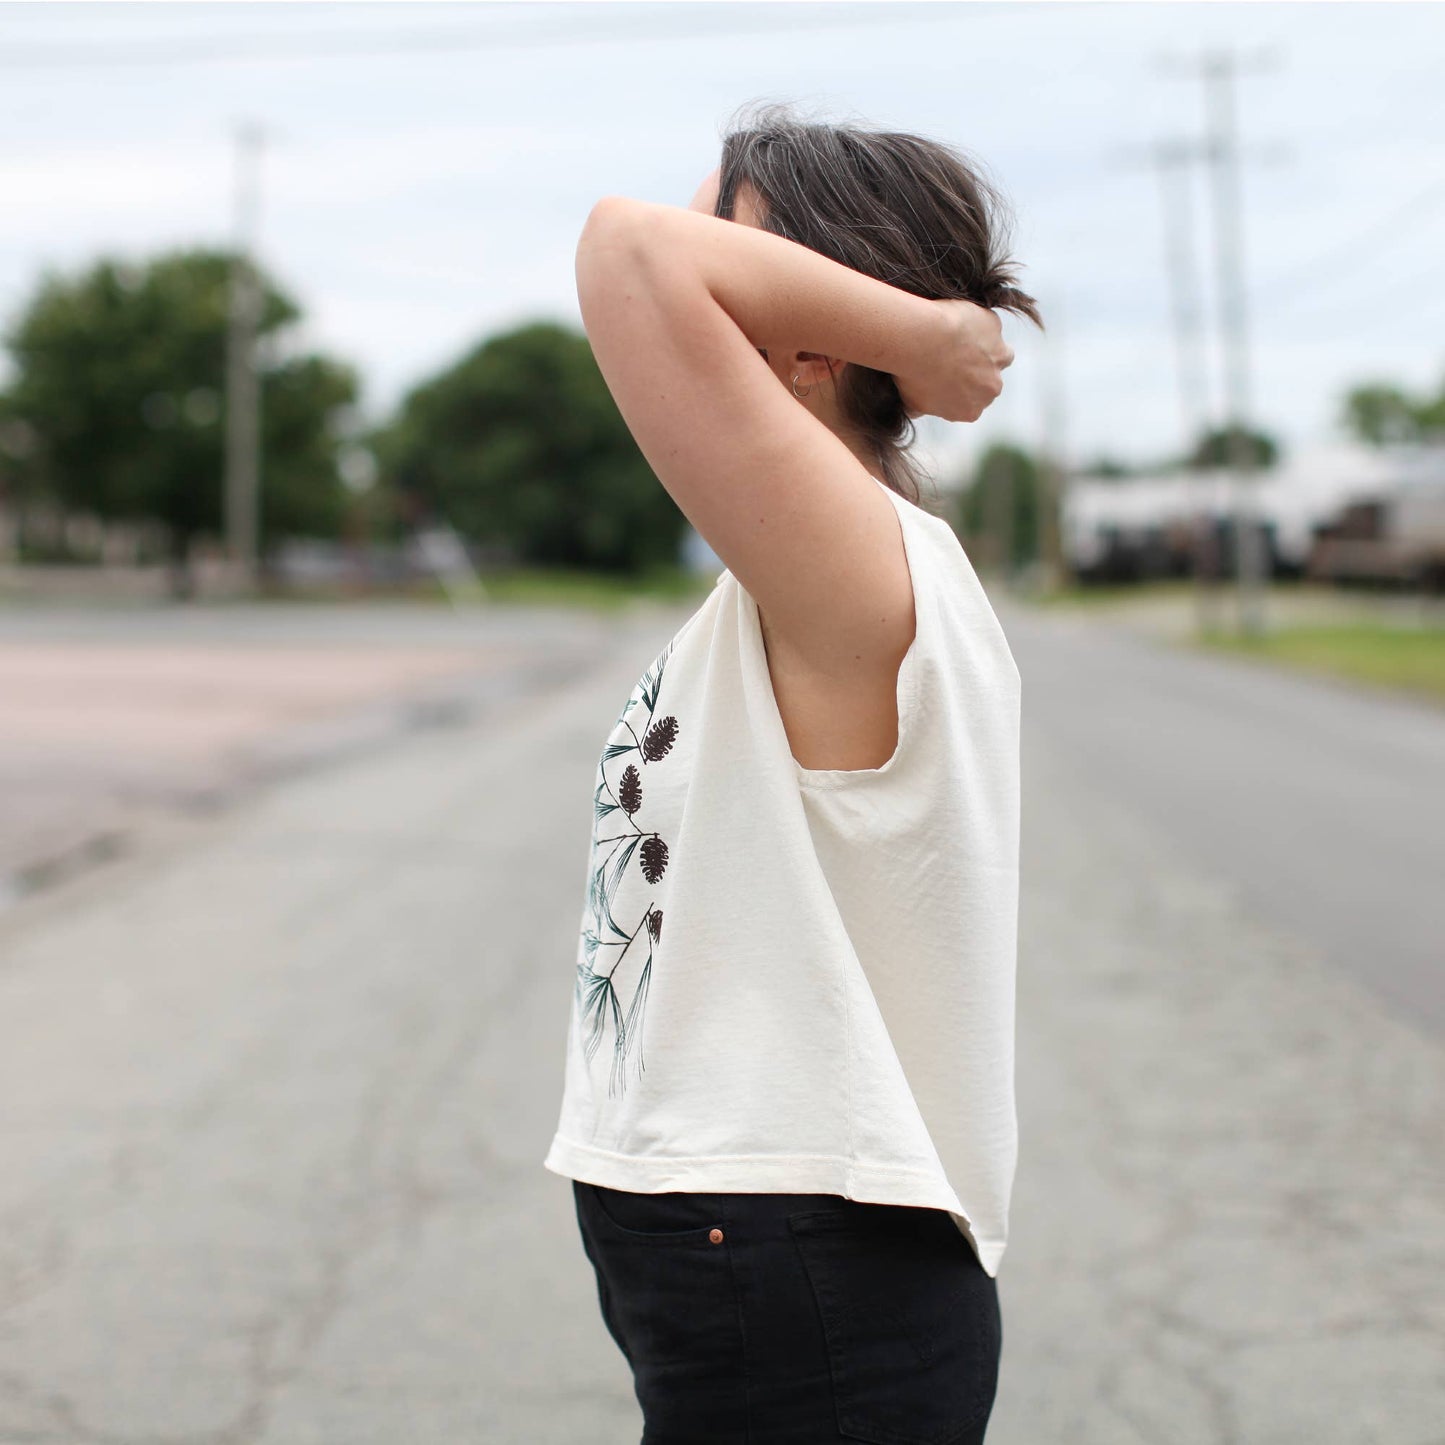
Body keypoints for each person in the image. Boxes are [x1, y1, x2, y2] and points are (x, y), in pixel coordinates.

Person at [543, 98, 1043, 1445]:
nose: (699, 258)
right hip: (769, 1251)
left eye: (737, 244)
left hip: (805, 1260)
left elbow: (627, 256)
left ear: (820, 336)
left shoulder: (860, 566)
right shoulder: (812, 573)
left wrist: (930, 337)